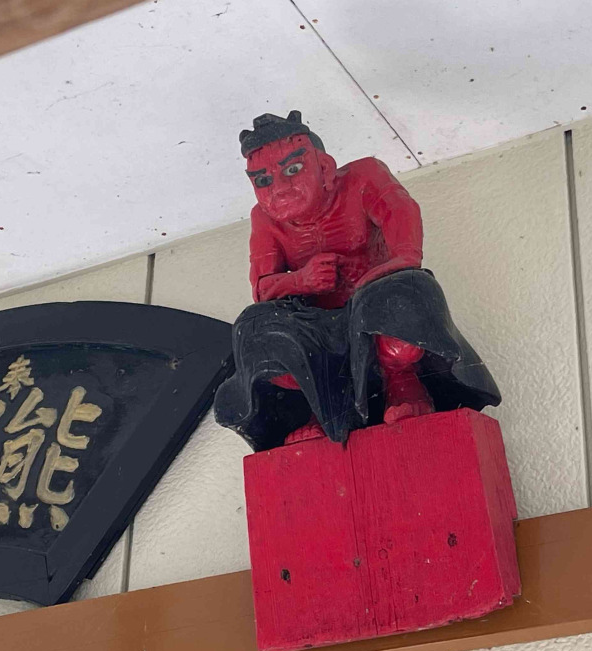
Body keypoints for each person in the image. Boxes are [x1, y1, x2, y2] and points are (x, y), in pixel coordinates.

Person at [213, 111, 500, 451]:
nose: (280, 188)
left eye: (292, 170)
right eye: (263, 181)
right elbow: (263, 288)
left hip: (376, 312)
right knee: (254, 326)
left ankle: (402, 382)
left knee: (409, 290)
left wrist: (399, 260)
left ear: (325, 167)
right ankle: (322, 410)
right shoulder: (264, 219)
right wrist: (302, 281)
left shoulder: (363, 176)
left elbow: (400, 211)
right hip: (318, 330)